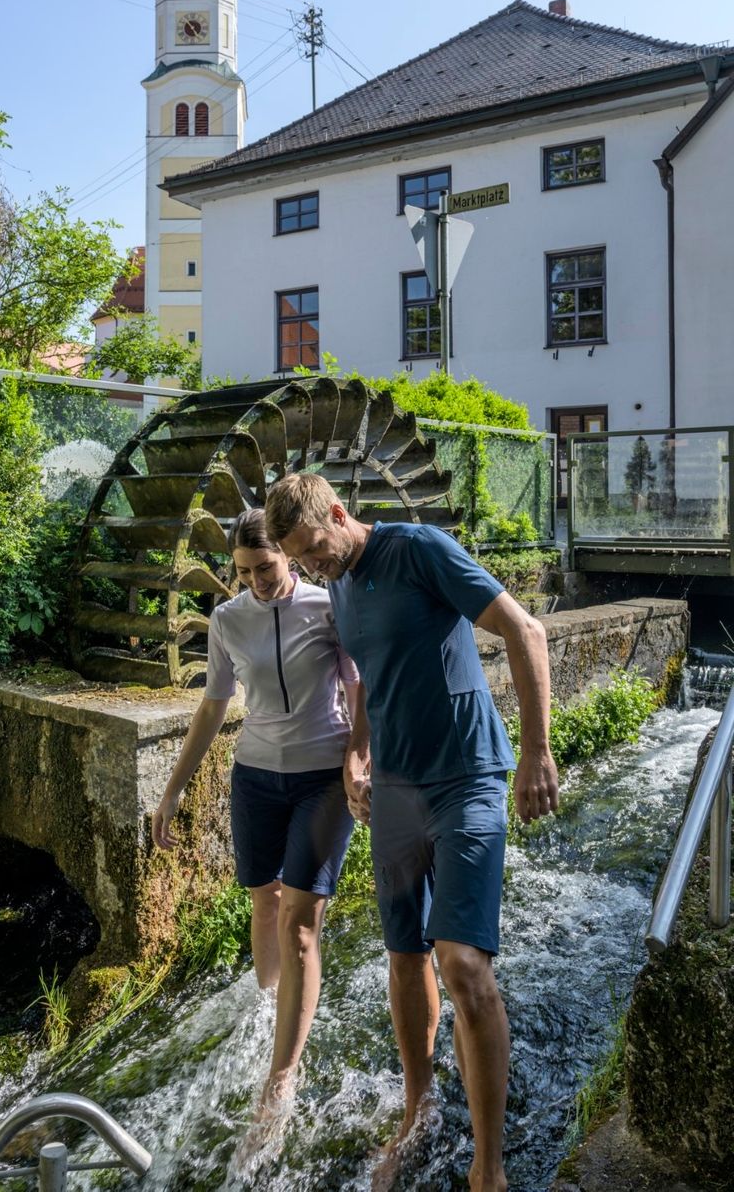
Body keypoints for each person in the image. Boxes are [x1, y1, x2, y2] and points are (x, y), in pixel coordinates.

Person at [265, 473, 559, 1192]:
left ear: (339, 513)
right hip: (394, 791)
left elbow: (526, 629)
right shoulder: (334, 582)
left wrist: (536, 750)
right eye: (300, 561)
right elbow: (368, 674)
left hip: (466, 777)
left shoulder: (419, 549)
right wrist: (357, 752)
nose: (312, 567)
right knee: (404, 957)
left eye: (315, 549)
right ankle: (418, 1111)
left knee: (461, 964)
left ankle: (486, 1167)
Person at [152, 507, 359, 1133]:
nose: (258, 584)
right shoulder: (227, 620)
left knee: (301, 923)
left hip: (323, 778)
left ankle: (281, 1079)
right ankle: (273, 1005)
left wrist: (360, 759)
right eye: (244, 573)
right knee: (264, 901)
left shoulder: (328, 605)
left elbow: (359, 686)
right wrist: (173, 790)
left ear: (288, 555)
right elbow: (214, 706)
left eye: (265, 568)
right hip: (256, 780)